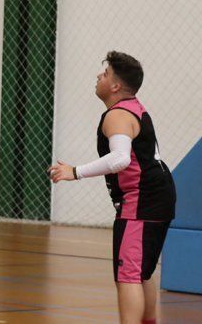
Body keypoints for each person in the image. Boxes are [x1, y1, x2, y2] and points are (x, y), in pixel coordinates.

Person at [49, 51, 176, 324]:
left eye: (105, 73)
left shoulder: (117, 115)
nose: (98, 76)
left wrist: (75, 172)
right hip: (158, 195)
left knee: (128, 276)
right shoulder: (134, 107)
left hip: (142, 201)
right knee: (141, 274)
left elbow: (120, 159)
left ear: (116, 86)